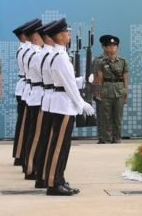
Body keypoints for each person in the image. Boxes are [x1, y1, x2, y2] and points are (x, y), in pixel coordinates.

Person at [39, 19, 95, 195]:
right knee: (58, 146)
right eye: (67, 33)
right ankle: (53, 184)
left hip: (62, 102)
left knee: (62, 146)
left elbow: (67, 81)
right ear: (60, 36)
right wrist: (81, 103)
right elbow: (68, 86)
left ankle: (59, 179)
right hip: (63, 105)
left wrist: (83, 80)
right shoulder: (60, 57)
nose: (69, 35)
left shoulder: (59, 55)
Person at [30, 25, 61, 188]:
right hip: (47, 97)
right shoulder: (46, 55)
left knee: (45, 138)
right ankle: (41, 175)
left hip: (47, 97)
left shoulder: (46, 54)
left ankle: (42, 174)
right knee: (45, 139)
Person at [20, 24, 50, 179]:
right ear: (37, 36)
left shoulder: (33, 52)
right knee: (36, 135)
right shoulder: (36, 54)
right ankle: (31, 168)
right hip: (38, 94)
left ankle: (32, 165)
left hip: (37, 94)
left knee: (35, 134)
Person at [12, 19, 39, 166]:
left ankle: (21, 154)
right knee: (25, 125)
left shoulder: (26, 49)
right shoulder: (28, 50)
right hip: (27, 88)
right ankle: (21, 156)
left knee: (25, 124)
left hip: (26, 87)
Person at [94, 35, 128, 144]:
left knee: (118, 117)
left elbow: (125, 78)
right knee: (106, 117)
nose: (112, 48)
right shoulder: (101, 62)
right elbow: (99, 79)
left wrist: (126, 92)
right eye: (109, 46)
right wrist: (98, 93)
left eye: (114, 46)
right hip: (106, 91)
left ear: (117, 48)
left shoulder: (123, 61)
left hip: (119, 91)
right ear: (105, 48)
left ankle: (117, 138)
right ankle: (106, 138)